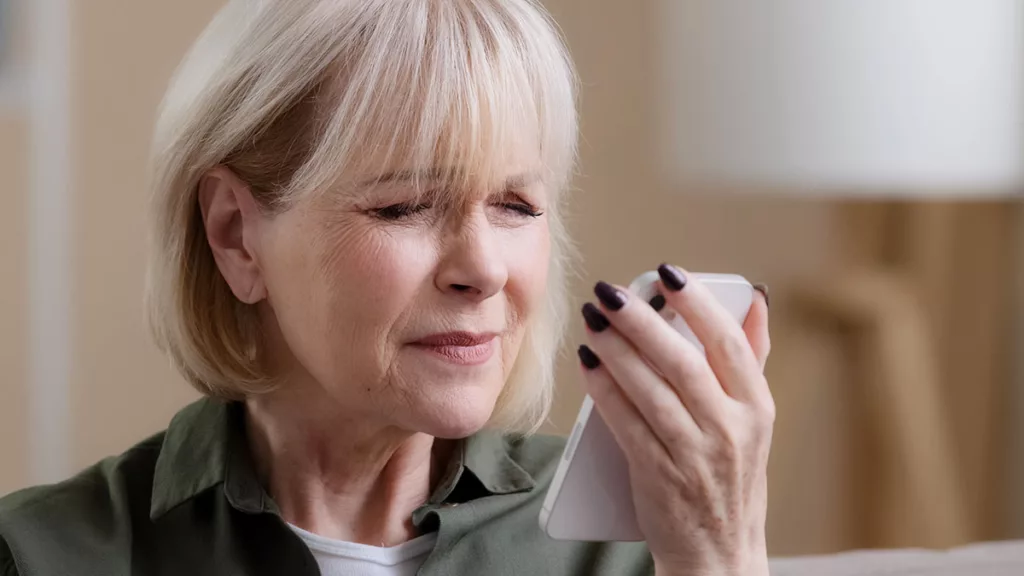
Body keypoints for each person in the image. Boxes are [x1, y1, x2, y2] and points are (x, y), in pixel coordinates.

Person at [0, 1, 774, 574]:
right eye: (404, 205)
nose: (485, 269)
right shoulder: (42, 556)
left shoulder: (637, 554)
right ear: (236, 235)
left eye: (516, 205)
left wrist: (720, 556)